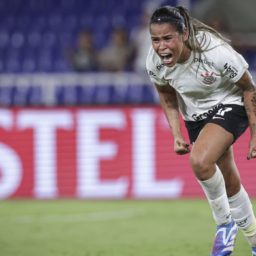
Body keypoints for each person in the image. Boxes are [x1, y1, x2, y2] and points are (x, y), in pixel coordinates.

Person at [146, 5, 256, 256]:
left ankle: (224, 224)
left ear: (184, 34)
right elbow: (166, 95)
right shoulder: (154, 62)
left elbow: (249, 88)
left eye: (167, 38)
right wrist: (176, 135)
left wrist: (254, 135)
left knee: (200, 161)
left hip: (230, 102)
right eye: (155, 40)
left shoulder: (214, 51)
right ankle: (255, 243)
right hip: (195, 115)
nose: (161, 46)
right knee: (229, 181)